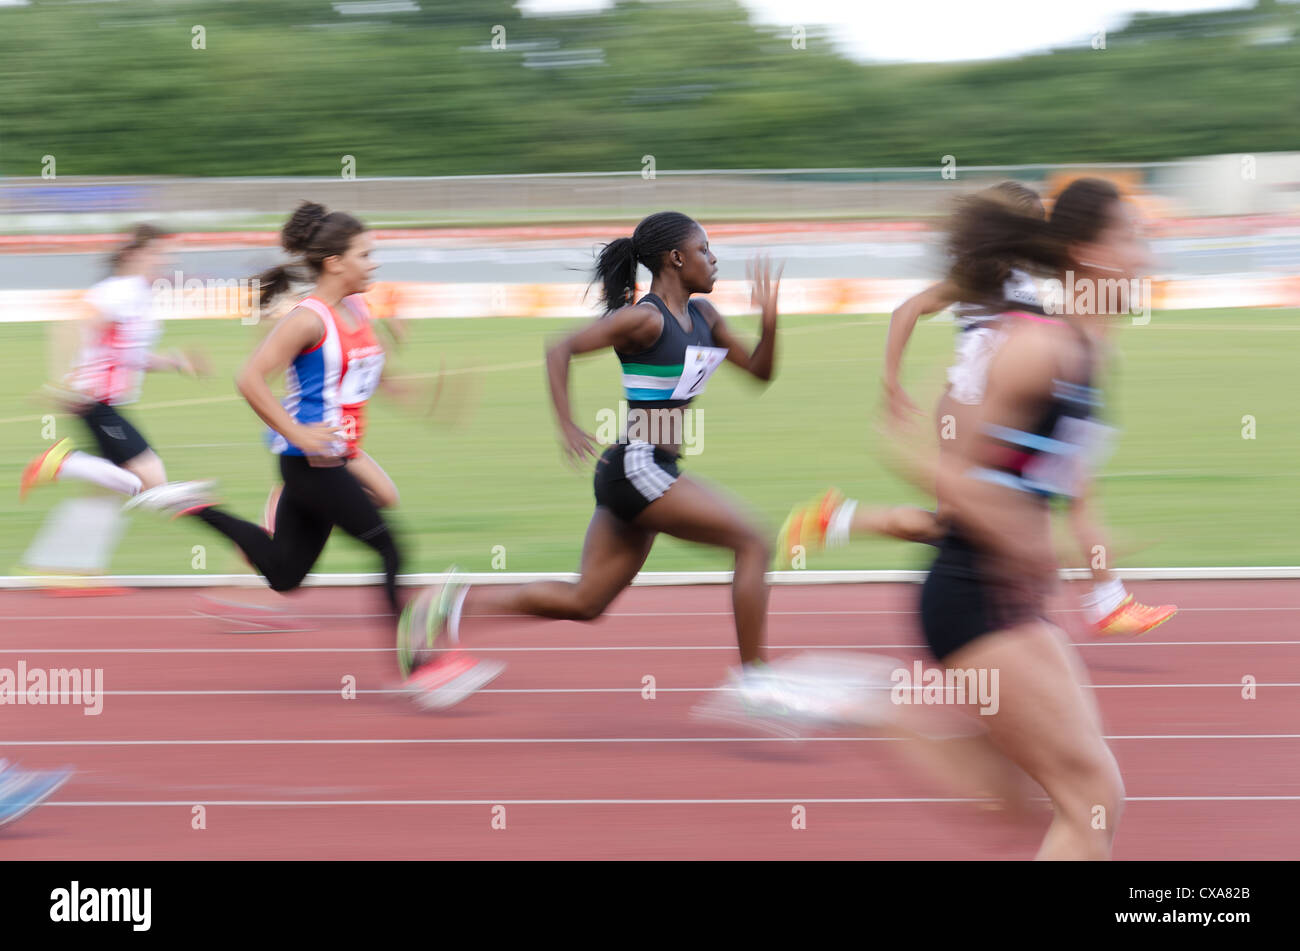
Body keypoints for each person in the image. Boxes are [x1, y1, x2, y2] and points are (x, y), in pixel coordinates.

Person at [400, 211, 875, 731]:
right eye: (705, 250)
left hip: (649, 468)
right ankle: (755, 681)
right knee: (754, 540)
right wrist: (567, 424)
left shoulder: (706, 318)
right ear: (675, 259)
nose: (714, 260)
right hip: (637, 465)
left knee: (586, 601)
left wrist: (770, 320)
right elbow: (560, 347)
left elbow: (759, 372)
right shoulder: (644, 319)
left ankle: (443, 607)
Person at [126, 202, 501, 710]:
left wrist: (402, 387)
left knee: (285, 574)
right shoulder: (308, 319)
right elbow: (249, 379)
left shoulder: (358, 309)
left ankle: (193, 505)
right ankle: (422, 670)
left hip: (337, 454)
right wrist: (298, 434)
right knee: (390, 548)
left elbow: (362, 371)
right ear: (334, 263)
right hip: (310, 461)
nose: (375, 264)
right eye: (366, 255)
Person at [782, 181, 1175, 638]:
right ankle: (840, 519)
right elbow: (907, 309)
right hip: (970, 412)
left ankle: (1099, 602)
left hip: (1009, 409)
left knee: (1026, 505)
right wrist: (891, 384)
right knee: (959, 525)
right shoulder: (985, 275)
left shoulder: (1032, 283)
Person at [20, 224, 207, 501]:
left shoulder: (138, 293)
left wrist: (175, 362)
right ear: (136, 255)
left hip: (105, 399)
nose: (165, 261)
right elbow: (70, 328)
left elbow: (130, 356)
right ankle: (64, 463)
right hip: (95, 398)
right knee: (152, 482)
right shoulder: (122, 291)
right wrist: (62, 381)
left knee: (120, 487)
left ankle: (73, 474)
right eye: (159, 253)